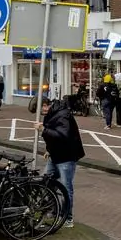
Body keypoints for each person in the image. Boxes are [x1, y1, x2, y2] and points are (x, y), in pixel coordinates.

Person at [39, 96, 84, 225]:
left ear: (45, 105)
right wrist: (49, 149)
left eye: (41, 111)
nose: (41, 114)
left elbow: (62, 135)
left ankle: (67, 218)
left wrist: (43, 130)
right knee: (46, 181)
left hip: (66, 156)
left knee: (66, 187)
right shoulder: (51, 113)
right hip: (55, 154)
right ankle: (52, 210)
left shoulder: (63, 115)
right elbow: (52, 134)